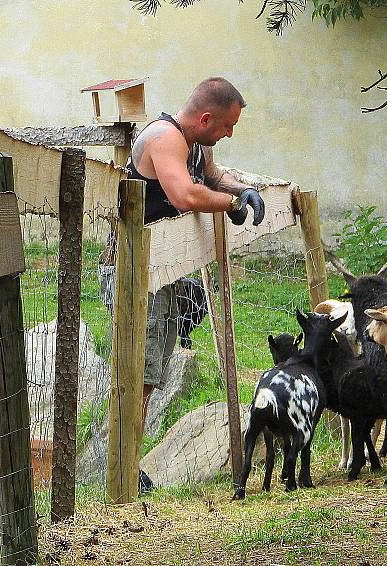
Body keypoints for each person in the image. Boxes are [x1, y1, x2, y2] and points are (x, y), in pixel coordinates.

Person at [98, 77, 265, 491]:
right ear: (206, 118)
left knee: (150, 375)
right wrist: (231, 205)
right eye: (227, 126)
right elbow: (186, 196)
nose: (229, 134)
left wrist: (243, 190)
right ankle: (121, 471)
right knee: (137, 374)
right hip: (132, 272)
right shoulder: (163, 138)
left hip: (162, 271)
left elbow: (212, 178)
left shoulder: (198, 144)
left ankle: (127, 464)